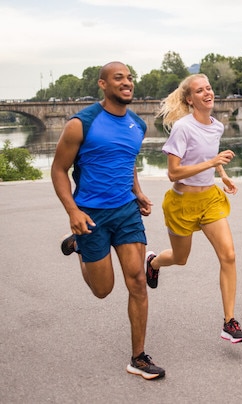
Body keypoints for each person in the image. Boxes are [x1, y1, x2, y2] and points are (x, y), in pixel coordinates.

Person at [52, 61, 165, 380]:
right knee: (103, 289)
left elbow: (126, 162)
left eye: (129, 78)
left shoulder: (137, 125)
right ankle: (80, 247)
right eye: (119, 78)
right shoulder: (81, 124)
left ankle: (138, 357)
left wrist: (138, 192)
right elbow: (58, 170)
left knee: (138, 282)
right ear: (103, 84)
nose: (127, 82)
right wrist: (73, 212)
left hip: (126, 211)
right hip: (90, 214)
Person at [145, 73, 242, 343]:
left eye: (209, 88)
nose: (208, 93)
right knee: (180, 258)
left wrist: (221, 172)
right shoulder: (183, 127)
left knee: (229, 255)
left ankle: (229, 322)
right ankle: (153, 262)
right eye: (200, 90)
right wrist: (212, 161)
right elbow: (173, 173)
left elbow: (208, 157)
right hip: (182, 203)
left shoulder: (217, 126)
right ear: (190, 99)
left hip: (210, 200)